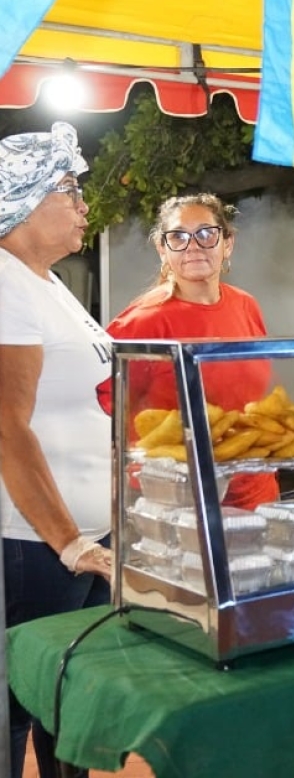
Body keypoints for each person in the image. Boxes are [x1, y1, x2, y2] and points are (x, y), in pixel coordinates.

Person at [0, 123, 113, 778]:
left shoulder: (45, 280)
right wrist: (69, 542)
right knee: (22, 703)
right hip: (34, 545)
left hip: (78, 539)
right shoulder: (6, 281)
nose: (82, 203)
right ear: (23, 199)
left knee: (63, 703)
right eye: (68, 189)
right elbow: (9, 426)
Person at [106, 193, 278, 509]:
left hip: (257, 493)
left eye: (206, 233)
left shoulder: (246, 306)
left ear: (227, 243)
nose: (193, 245)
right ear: (162, 248)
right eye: (178, 236)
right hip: (179, 501)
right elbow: (105, 405)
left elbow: (251, 401)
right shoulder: (143, 321)